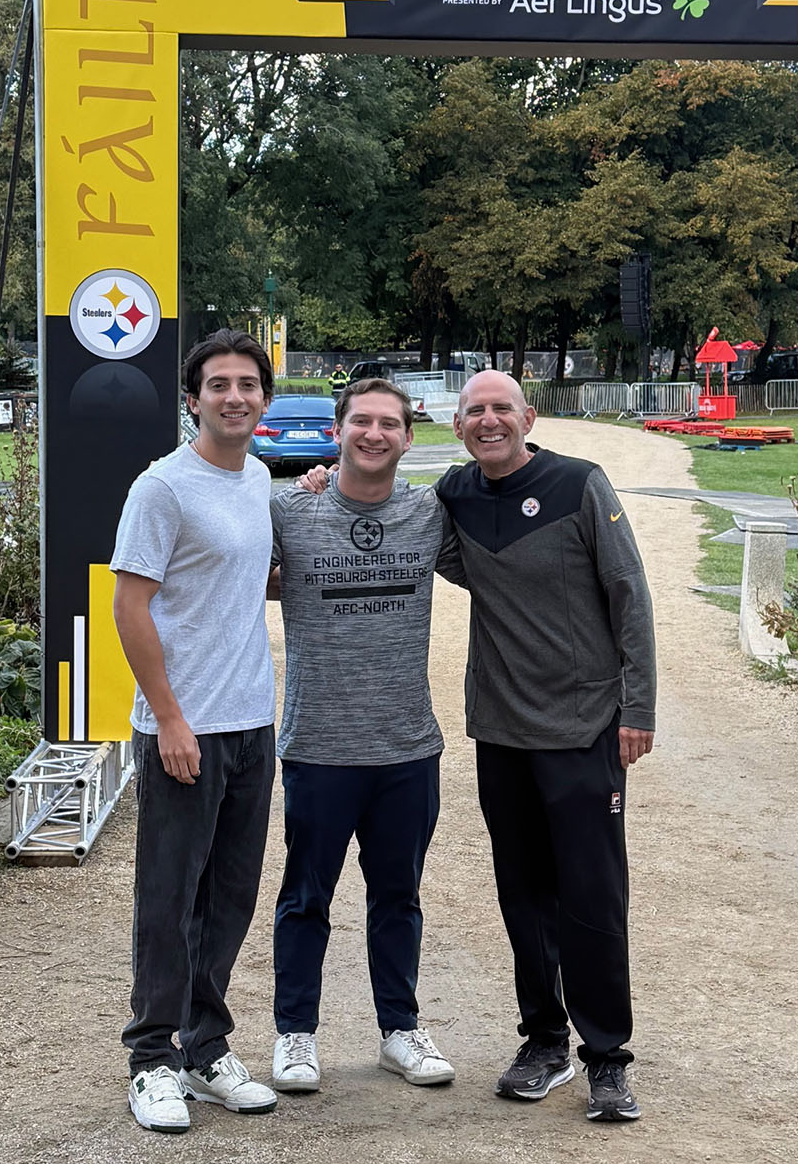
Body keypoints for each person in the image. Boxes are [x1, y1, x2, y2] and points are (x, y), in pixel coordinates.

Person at [436, 369, 656, 1124]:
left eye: (502, 408)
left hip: (583, 726)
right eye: (475, 411)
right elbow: (389, 512)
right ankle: (543, 1042)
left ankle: (607, 1058)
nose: (489, 420)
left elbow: (630, 593)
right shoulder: (455, 495)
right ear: (457, 426)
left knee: (591, 896)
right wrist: (320, 481)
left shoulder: (579, 484)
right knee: (523, 895)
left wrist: (637, 706)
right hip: (501, 731)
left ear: (528, 417)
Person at [269, 378, 460, 1095]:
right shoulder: (291, 508)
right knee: (305, 897)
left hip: (407, 745)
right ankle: (295, 1033)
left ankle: (399, 1030)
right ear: (337, 430)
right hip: (319, 743)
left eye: (388, 424)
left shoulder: (428, 512)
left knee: (398, 896)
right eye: (360, 421)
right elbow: (233, 575)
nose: (374, 434)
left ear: (409, 437)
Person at [111, 329, 279, 1134]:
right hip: (185, 727)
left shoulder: (260, 478)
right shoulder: (163, 488)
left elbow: (246, 580)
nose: (234, 396)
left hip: (251, 721)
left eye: (247, 383)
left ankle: (205, 1047)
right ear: (193, 399)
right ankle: (151, 1057)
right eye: (219, 384)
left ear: (264, 399)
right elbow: (129, 605)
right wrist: (170, 717)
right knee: (170, 897)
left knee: (231, 895)